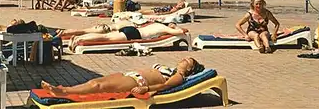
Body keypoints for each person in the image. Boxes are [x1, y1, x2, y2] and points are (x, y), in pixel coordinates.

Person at [41, 57, 204, 96]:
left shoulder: (180, 76)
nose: (183, 60)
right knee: (95, 81)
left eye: (187, 62)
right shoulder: (171, 69)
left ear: (189, 69)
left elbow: (166, 86)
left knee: (99, 87)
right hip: (130, 75)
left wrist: (146, 88)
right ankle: (65, 89)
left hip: (137, 80)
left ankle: (64, 92)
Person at [68, 22, 187, 51]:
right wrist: (175, 29)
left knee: (106, 35)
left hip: (132, 29)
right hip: (134, 34)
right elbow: (180, 32)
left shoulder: (156, 24)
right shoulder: (163, 28)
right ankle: (79, 39)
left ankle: (78, 38)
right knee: (106, 38)